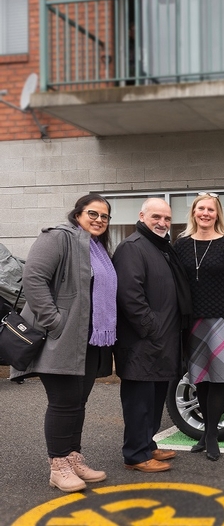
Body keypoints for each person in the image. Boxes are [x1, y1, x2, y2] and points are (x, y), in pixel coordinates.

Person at [12, 194, 117, 493]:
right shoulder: (58, 237)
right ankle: (58, 467)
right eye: (92, 214)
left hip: (88, 339)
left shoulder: (95, 247)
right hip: (61, 337)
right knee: (63, 403)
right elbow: (33, 278)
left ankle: (72, 458)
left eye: (105, 217)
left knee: (77, 403)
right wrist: (55, 321)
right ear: (78, 214)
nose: (99, 220)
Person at [113, 198, 193, 473]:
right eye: (156, 217)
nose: (162, 223)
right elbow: (130, 297)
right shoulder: (132, 248)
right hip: (142, 343)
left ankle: (147, 445)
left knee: (155, 398)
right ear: (142, 216)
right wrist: (153, 329)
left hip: (162, 341)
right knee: (139, 401)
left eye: (167, 218)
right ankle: (135, 454)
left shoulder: (161, 248)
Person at [174, 192, 224, 461]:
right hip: (191, 320)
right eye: (201, 208)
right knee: (200, 378)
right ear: (194, 212)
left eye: (211, 209)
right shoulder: (180, 245)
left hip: (221, 319)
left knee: (218, 377)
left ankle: (213, 435)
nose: (206, 213)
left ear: (218, 214)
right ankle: (205, 433)